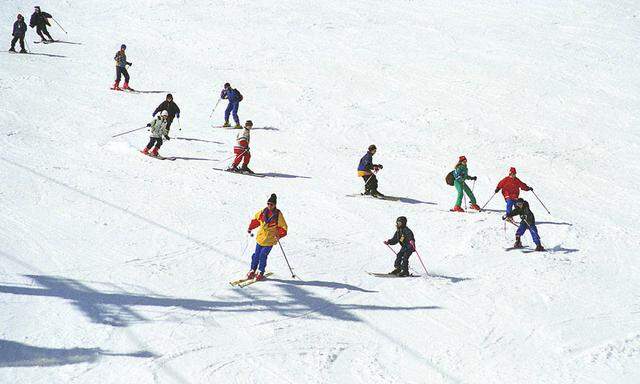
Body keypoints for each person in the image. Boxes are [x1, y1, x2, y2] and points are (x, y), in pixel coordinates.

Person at [246, 194, 288, 281]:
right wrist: (250, 227)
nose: (269, 206)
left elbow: (283, 227)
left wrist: (279, 234)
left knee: (262, 255)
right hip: (260, 238)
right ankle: (252, 269)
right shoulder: (263, 212)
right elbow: (256, 220)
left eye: (271, 204)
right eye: (268, 203)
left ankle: (261, 271)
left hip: (270, 239)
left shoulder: (278, 214)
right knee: (256, 255)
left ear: (275, 205)